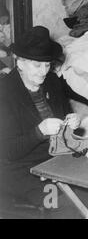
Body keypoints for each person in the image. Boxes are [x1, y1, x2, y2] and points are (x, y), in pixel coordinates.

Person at [0, 26, 81, 209]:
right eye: (37, 65)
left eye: (47, 64)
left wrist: (71, 124)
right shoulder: (4, 92)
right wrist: (40, 131)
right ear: (19, 62)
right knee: (63, 204)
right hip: (19, 169)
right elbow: (8, 151)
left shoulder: (53, 81)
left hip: (54, 160)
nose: (43, 71)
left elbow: (63, 126)